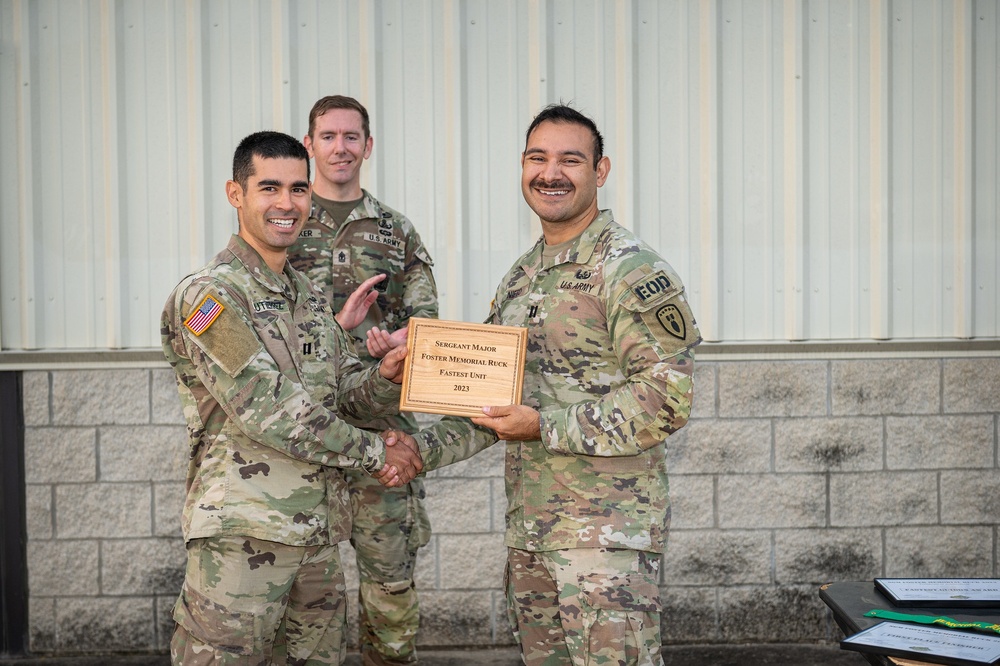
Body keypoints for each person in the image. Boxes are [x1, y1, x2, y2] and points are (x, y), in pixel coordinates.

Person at [407, 104, 702, 666]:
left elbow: (667, 398)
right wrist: (413, 451)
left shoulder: (628, 269)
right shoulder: (522, 275)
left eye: (571, 159)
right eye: (537, 158)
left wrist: (544, 426)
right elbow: (487, 401)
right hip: (533, 533)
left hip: (604, 540)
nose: (552, 172)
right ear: (522, 168)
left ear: (601, 170)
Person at [161, 130, 422, 666]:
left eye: (299, 189)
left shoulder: (306, 297)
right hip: (243, 540)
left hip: (317, 539)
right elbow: (267, 407)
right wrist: (379, 453)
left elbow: (340, 393)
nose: (287, 203)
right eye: (269, 188)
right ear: (236, 195)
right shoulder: (209, 297)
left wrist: (388, 376)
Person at [287, 95, 438, 666]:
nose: (340, 147)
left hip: (383, 432)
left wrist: (402, 343)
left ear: (368, 147)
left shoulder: (396, 231)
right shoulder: (287, 223)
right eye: (328, 136)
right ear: (310, 144)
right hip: (308, 433)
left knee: (390, 590)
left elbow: (427, 319)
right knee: (307, 596)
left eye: (352, 137)